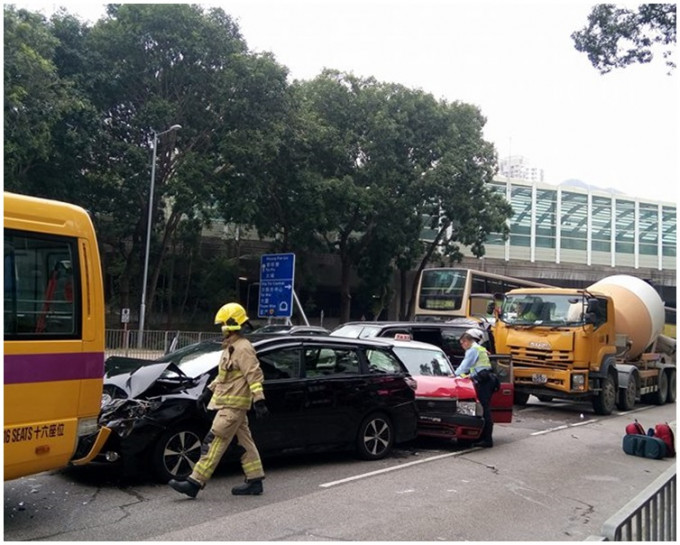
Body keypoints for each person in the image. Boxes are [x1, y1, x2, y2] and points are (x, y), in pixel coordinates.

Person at [168, 302, 269, 498]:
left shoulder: (243, 348)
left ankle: (194, 482)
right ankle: (255, 480)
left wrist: (259, 401)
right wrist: (208, 392)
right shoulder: (231, 347)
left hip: (232, 407)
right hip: (230, 405)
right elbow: (224, 377)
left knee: (214, 441)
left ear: (231, 324)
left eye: (222, 324)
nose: (221, 328)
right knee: (245, 443)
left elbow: (254, 375)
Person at [454, 328, 497, 448]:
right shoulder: (480, 348)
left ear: (466, 341)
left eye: (462, 343)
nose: (462, 346)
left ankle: (487, 439)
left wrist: (453, 375)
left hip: (484, 381)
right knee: (483, 409)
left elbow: (464, 366)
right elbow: (477, 367)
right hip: (487, 379)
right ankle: (483, 437)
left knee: (484, 409)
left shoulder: (472, 350)